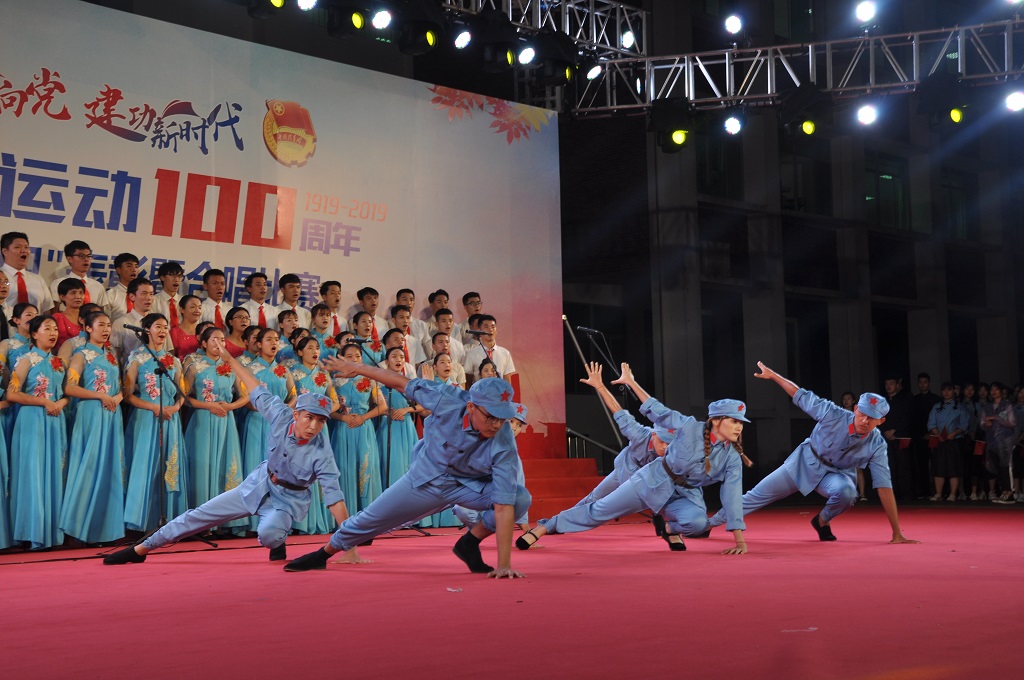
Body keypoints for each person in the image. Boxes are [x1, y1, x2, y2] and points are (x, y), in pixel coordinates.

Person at [104, 340, 365, 566]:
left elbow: (335, 499)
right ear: (296, 414)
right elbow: (254, 386)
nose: (314, 426)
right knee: (199, 515)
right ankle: (141, 549)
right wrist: (229, 359)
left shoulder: (321, 452)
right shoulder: (281, 415)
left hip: (287, 501)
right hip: (259, 483)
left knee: (269, 535)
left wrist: (349, 546)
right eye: (309, 418)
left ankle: (277, 541)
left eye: (321, 421)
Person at [283, 355, 530, 578]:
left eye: (502, 418)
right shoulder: (446, 398)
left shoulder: (504, 441)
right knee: (370, 520)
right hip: (425, 479)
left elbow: (503, 504)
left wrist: (504, 565)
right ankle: (323, 554)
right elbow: (400, 382)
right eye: (490, 416)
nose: (496, 424)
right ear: (471, 407)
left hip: (468, 487)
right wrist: (357, 368)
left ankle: (469, 543)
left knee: (519, 498)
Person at [517, 362, 750, 555]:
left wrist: (739, 541)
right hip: (649, 480)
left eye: (740, 422)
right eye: (733, 421)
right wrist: (629, 383)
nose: (738, 427)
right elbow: (656, 410)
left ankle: (669, 529)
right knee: (599, 509)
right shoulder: (688, 427)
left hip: (685, 494)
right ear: (716, 420)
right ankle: (546, 526)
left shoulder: (732, 458)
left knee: (698, 523)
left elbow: (731, 495)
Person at [708, 361, 918, 544]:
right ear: (855, 409)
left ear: (881, 421)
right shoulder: (832, 414)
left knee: (848, 493)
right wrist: (773, 376)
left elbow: (884, 486)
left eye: (871, 418)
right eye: (862, 413)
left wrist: (896, 532)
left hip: (836, 475)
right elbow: (799, 394)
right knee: (754, 496)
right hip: (804, 463)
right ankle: (707, 524)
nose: (864, 420)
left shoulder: (877, 444)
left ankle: (822, 521)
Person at [58, 311, 125, 544]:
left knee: (109, 467)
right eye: (101, 325)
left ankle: (105, 529)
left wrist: (117, 397)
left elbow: (121, 387)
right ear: (88, 328)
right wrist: (100, 396)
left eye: (108, 325)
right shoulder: (81, 355)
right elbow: (69, 388)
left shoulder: (111, 356)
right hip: (91, 412)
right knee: (89, 465)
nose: (106, 329)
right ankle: (79, 527)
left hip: (112, 413)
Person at [122, 313, 189, 532]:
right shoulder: (137, 357)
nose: (162, 331)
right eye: (158, 326)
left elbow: (182, 392)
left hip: (170, 417)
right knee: (146, 466)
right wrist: (154, 408)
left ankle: (170, 519)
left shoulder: (173, 360)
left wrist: (175, 407)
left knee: (169, 465)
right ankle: (142, 521)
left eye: (165, 327)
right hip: (146, 417)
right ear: (146, 330)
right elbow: (127, 395)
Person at [8, 315, 69, 550]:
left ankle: (51, 532)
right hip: (32, 419)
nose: (53, 333)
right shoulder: (25, 360)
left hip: (55, 419)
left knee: (53, 471)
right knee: (32, 473)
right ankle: (31, 532)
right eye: (47, 329)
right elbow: (12, 394)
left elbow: (65, 393)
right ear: (34, 334)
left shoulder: (59, 362)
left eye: (55, 329)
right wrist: (43, 402)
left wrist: (60, 403)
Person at [183, 326, 248, 517]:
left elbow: (246, 395)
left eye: (222, 340)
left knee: (225, 464)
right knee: (203, 466)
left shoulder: (231, 365)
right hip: (202, 420)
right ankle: (200, 517)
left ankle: (225, 518)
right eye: (214, 339)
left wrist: (230, 406)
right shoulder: (194, 365)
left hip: (226, 422)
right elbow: (184, 398)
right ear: (204, 343)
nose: (219, 343)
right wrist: (208, 406)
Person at [330, 342, 387, 513]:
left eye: (357, 356)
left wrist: (363, 417)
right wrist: (343, 417)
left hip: (364, 428)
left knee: (365, 467)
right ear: (342, 359)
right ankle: (345, 514)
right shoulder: (334, 381)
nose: (354, 359)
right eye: (349, 356)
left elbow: (383, 406)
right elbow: (329, 410)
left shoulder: (369, 380)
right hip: (343, 428)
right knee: (344, 469)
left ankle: (368, 514)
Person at [927, 382, 968, 502]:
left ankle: (953, 494)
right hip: (939, 440)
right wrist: (937, 434)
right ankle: (938, 493)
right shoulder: (937, 406)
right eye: (944, 390)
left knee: (953, 468)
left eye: (949, 390)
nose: (946, 393)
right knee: (938, 467)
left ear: (954, 391)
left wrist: (953, 433)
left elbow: (964, 424)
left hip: (954, 440)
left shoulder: (960, 407)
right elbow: (931, 423)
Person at [980, 381, 1016, 504]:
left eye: (996, 389)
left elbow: (1012, 422)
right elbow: (982, 425)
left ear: (1001, 391)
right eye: (992, 390)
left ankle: (1010, 493)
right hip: (992, 442)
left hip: (1005, 441)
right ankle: (1003, 492)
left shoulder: (1007, 405)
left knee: (1006, 466)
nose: (994, 392)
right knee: (997, 468)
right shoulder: (987, 407)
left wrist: (996, 418)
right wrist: (987, 425)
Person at [1, 231, 53, 313]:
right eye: (17, 247)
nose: (24, 250)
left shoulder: (38, 280)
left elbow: (46, 311)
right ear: (5, 251)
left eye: (26, 247)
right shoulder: (1, 276)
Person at [49, 240, 107, 310]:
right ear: (69, 259)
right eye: (81, 256)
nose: (86, 259)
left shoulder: (98, 286)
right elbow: (54, 312)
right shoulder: (58, 283)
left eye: (88, 256)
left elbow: (101, 313)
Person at [463, 315, 515, 383]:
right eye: (486, 326)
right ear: (480, 331)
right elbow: (468, 381)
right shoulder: (471, 354)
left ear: (496, 331)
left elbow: (507, 381)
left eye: (493, 327)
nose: (490, 330)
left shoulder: (505, 353)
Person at [102, 252, 140, 323]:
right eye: (129, 266)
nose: (134, 269)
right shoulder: (110, 295)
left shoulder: (141, 295)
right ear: (118, 270)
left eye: (136, 266)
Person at [51, 277, 86, 351]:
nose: (78, 297)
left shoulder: (89, 317)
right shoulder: (57, 318)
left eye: (81, 292)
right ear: (62, 297)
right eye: (73, 293)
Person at [151, 261, 185, 328]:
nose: (176, 279)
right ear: (162, 277)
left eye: (179, 276)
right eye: (172, 275)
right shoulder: (153, 301)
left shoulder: (184, 301)